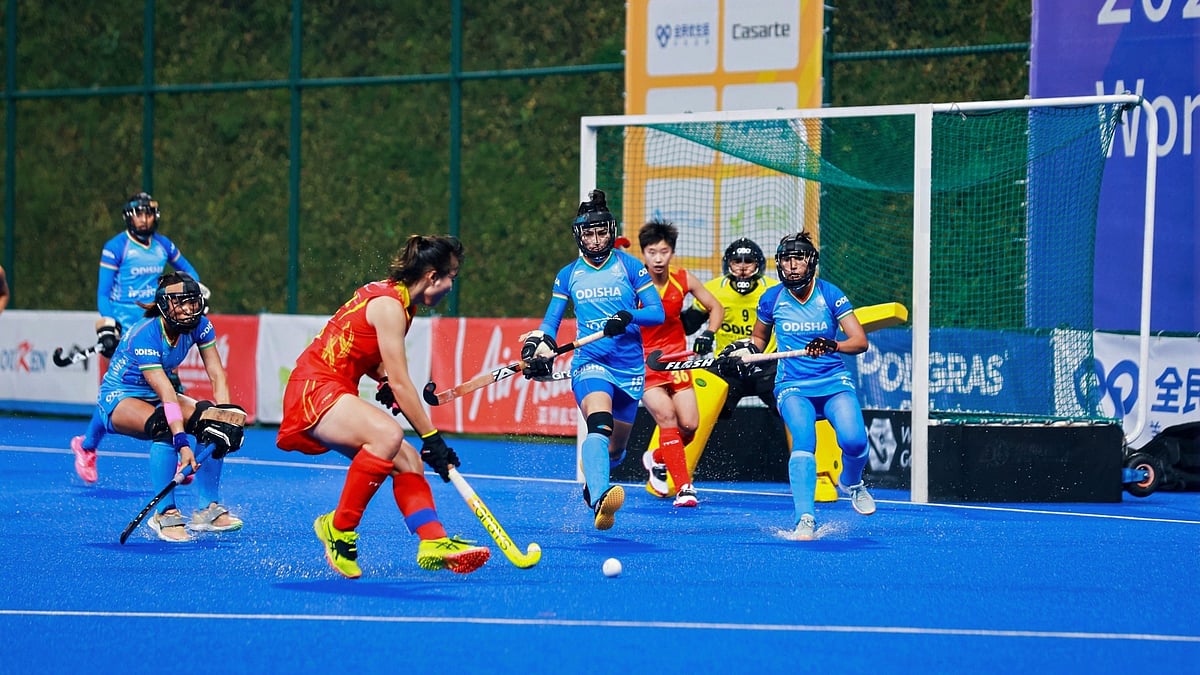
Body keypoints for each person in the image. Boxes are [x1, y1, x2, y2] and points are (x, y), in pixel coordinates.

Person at [276, 234, 490, 579]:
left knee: (408, 461)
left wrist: (383, 380)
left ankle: (433, 541)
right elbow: (402, 382)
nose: (452, 285)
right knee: (388, 436)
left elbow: (366, 354)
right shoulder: (390, 306)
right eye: (451, 276)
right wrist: (433, 438)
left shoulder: (399, 301)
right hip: (314, 388)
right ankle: (339, 528)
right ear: (432, 276)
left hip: (330, 386)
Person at [521, 190, 664, 530]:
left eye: (601, 232)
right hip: (590, 363)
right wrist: (538, 346)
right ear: (579, 236)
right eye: (589, 234)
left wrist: (628, 316)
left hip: (629, 367)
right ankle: (601, 496)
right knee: (599, 424)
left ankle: (595, 479)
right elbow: (551, 323)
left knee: (616, 451)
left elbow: (656, 312)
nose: (596, 240)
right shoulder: (569, 274)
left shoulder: (630, 266)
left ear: (610, 232)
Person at [732, 232, 875, 540]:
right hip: (793, 386)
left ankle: (852, 482)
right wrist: (746, 351)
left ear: (811, 262)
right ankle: (805, 519)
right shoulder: (771, 298)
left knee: (854, 442)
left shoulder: (830, 294)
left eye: (799, 258)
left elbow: (860, 341)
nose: (792, 265)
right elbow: (759, 339)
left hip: (833, 381)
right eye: (786, 259)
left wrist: (834, 345)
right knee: (804, 442)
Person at [93, 271, 246, 542]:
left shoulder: (201, 325)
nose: (189, 309)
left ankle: (207, 509)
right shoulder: (146, 334)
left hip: (158, 395)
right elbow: (166, 393)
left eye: (193, 302)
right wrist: (182, 443)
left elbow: (217, 374)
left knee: (212, 422)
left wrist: (225, 417)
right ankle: (165, 513)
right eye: (181, 303)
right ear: (164, 305)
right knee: (165, 425)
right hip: (120, 397)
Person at [72, 192, 208, 483]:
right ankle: (87, 447)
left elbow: (189, 272)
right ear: (129, 217)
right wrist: (110, 324)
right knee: (118, 392)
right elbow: (103, 293)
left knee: (169, 387)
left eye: (148, 214)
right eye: (139, 214)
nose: (144, 220)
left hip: (157, 325)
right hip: (126, 331)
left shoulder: (163, 245)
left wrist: (194, 291)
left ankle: (177, 450)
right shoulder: (116, 247)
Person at [635, 219, 724, 507]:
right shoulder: (632, 283)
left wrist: (709, 333)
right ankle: (685, 487)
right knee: (667, 417)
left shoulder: (683, 279)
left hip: (676, 360)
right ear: (643, 253)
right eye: (651, 252)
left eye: (664, 251)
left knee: (689, 425)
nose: (658, 259)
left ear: (672, 252)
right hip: (644, 362)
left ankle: (656, 458)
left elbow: (716, 307)